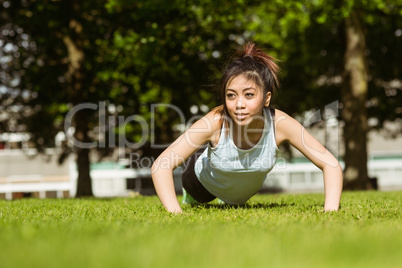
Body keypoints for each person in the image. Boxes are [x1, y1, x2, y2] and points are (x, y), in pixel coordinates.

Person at [151, 41, 343, 213]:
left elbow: (331, 165)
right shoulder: (215, 121)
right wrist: (175, 214)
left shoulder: (280, 124)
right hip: (201, 185)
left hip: (237, 195)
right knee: (201, 187)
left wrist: (330, 212)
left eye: (249, 95)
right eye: (231, 95)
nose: (239, 104)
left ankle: (226, 200)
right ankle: (195, 194)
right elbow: (161, 166)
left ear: (266, 98)